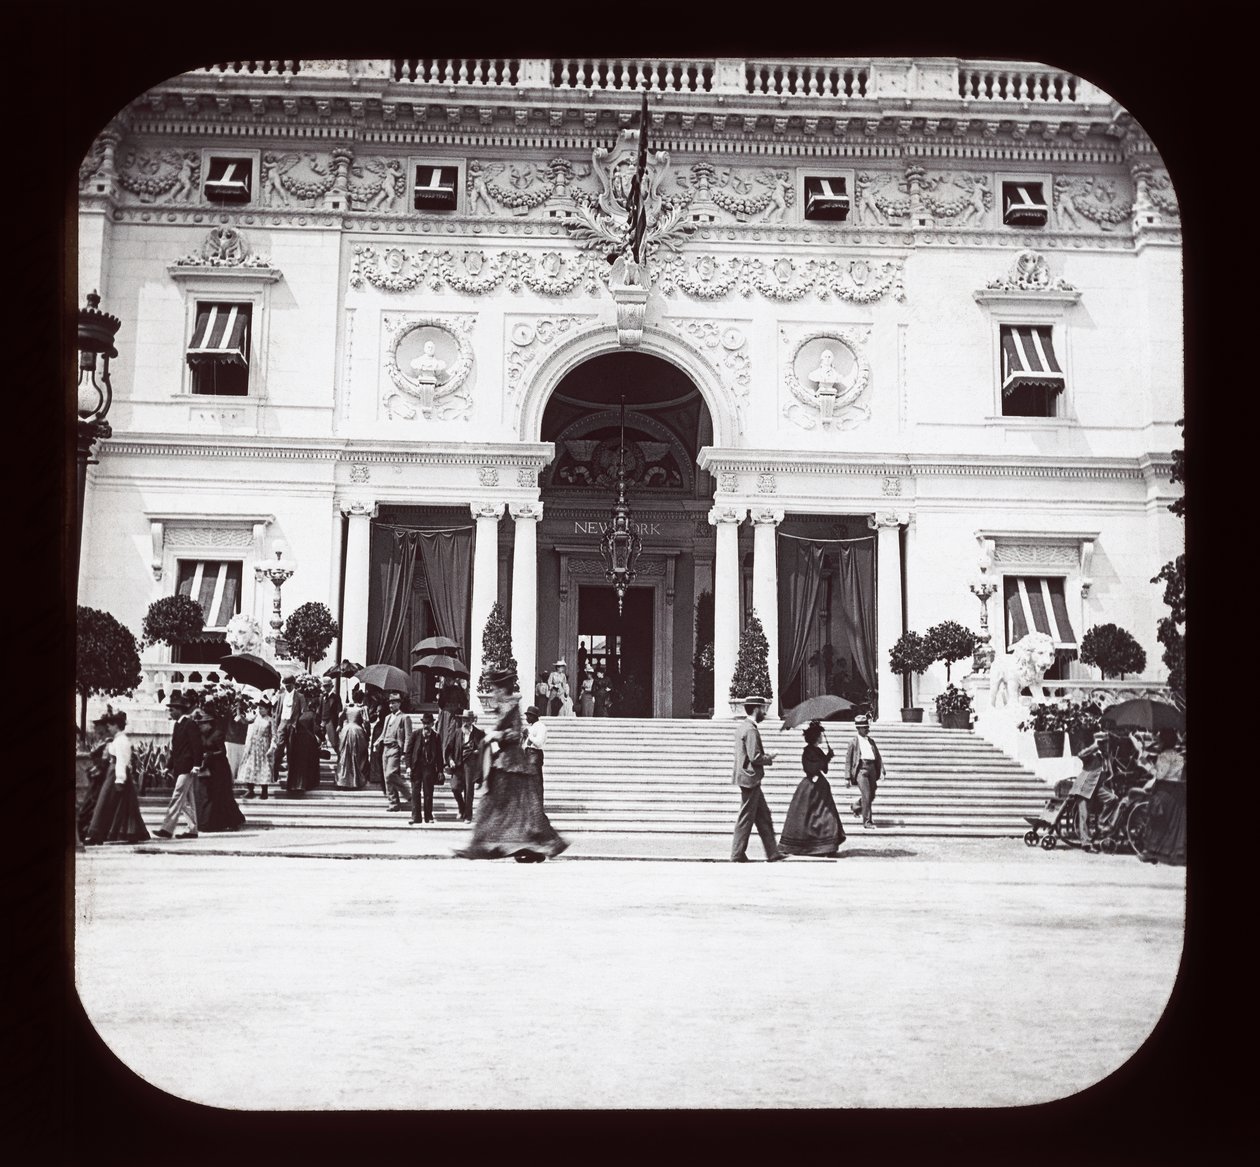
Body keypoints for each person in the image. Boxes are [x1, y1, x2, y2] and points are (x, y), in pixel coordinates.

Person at [455, 668, 569, 862]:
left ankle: (486, 845)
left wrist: (497, 735)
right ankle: (493, 845)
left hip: (512, 763)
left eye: (496, 688)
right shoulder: (504, 706)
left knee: (501, 805)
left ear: (502, 689)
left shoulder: (512, 705)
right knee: (509, 807)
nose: (493, 692)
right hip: (504, 762)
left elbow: (516, 734)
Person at [730, 697, 788, 863]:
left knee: (763, 816)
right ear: (756, 709)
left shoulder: (743, 727)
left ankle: (772, 852)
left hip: (747, 778)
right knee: (746, 817)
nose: (764, 712)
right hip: (750, 779)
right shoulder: (750, 730)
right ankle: (737, 853)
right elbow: (754, 757)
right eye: (763, 708)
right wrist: (770, 757)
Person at [778, 721, 845, 857]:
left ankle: (826, 846)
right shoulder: (807, 751)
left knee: (825, 813)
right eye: (819, 735)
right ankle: (814, 846)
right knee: (810, 815)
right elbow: (810, 768)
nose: (821, 737)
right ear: (815, 736)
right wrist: (825, 759)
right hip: (811, 787)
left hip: (821, 786)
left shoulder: (818, 750)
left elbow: (824, 769)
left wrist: (828, 757)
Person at [84, 711, 151, 845]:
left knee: (105, 803)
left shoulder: (122, 741)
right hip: (113, 772)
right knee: (122, 804)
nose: (108, 727)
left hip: (116, 773)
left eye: (110, 725)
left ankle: (97, 834)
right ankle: (122, 832)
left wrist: (120, 779)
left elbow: (122, 761)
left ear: (116, 726)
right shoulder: (118, 739)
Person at [154, 691, 203, 839]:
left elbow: (197, 746)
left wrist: (196, 765)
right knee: (187, 800)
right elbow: (176, 750)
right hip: (181, 766)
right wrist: (168, 766)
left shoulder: (190, 724)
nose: (170, 711)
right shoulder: (178, 725)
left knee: (177, 796)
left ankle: (167, 829)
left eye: (172, 709)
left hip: (187, 767)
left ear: (180, 710)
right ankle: (192, 829)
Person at [1137, 728, 1186, 866]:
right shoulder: (1178, 755)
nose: (1157, 741)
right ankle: (1167, 854)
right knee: (1171, 825)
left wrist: (1146, 765)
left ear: (1164, 741)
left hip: (1164, 792)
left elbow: (1159, 775)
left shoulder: (1164, 755)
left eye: (1159, 739)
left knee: (1156, 823)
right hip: (1177, 793)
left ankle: (1151, 853)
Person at [193, 707, 246, 831]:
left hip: (220, 768)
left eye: (202, 724)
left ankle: (233, 821)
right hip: (208, 768)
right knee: (211, 796)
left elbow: (222, 752)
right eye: (199, 724)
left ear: (209, 724)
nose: (200, 727)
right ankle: (212, 823)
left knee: (223, 795)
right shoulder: (202, 736)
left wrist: (210, 754)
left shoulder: (217, 734)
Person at [78, 712, 115, 843]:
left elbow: (104, 763)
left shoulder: (108, 743)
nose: (94, 729)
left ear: (104, 728)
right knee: (89, 805)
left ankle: (88, 832)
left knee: (92, 805)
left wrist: (94, 771)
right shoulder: (100, 742)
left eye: (97, 726)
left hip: (100, 778)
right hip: (95, 777)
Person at [846, 714, 884, 829]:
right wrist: (847, 777)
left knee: (871, 794)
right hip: (861, 770)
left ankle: (856, 806)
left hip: (872, 768)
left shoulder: (871, 741)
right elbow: (848, 760)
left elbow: (878, 756)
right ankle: (867, 822)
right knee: (866, 795)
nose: (867, 729)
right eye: (864, 727)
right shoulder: (853, 742)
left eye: (867, 726)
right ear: (858, 728)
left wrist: (881, 770)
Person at [405, 713, 444, 823]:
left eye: (428, 723)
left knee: (428, 793)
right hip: (416, 767)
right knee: (415, 792)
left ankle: (429, 817)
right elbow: (408, 752)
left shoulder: (436, 736)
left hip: (429, 768)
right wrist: (408, 767)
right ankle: (415, 817)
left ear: (432, 724)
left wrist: (440, 770)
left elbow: (440, 755)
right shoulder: (415, 734)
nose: (426, 726)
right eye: (424, 723)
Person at [449, 710, 486, 822]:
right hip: (458, 764)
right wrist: (450, 760)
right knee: (455, 788)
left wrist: (478, 752)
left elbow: (484, 749)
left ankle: (468, 816)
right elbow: (449, 749)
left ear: (472, 720)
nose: (466, 722)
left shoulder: (479, 733)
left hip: (471, 765)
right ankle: (461, 807)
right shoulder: (457, 732)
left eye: (468, 720)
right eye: (464, 719)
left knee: (469, 790)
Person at [270, 674, 307, 786]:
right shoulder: (281, 696)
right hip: (282, 724)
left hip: (293, 725)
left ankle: (291, 778)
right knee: (278, 749)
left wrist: (298, 726)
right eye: (286, 685)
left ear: (294, 684)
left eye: (289, 685)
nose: (287, 687)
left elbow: (304, 713)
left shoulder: (300, 697)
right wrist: (276, 728)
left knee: (291, 752)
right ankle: (274, 771)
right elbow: (277, 713)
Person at [379, 690, 413, 812]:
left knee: (390, 774)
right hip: (385, 748)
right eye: (389, 703)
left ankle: (409, 794)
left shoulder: (405, 717)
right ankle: (393, 803)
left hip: (395, 748)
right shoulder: (388, 717)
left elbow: (408, 736)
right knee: (386, 777)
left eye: (393, 703)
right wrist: (377, 742)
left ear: (399, 704)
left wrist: (405, 752)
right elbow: (383, 733)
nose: (390, 705)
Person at [238, 695, 274, 800]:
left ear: (267, 709)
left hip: (264, 747)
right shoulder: (255, 717)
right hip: (253, 745)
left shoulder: (270, 720)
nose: (260, 710)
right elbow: (244, 721)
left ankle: (264, 791)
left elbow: (274, 735)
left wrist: (272, 747)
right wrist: (239, 710)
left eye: (262, 708)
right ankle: (250, 790)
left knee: (263, 767)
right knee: (250, 766)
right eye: (259, 708)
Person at [287, 700, 323, 795]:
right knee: (310, 762)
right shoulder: (314, 715)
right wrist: (322, 738)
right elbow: (316, 728)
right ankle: (308, 783)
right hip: (309, 741)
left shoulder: (301, 715)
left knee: (298, 763)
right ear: (315, 707)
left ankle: (296, 784)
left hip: (298, 741)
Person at [336, 691, 370, 790]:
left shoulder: (347, 707)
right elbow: (366, 722)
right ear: (362, 698)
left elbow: (340, 717)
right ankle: (355, 781)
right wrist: (368, 733)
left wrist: (339, 726)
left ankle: (343, 780)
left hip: (346, 730)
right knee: (358, 755)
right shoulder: (363, 708)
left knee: (345, 755)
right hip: (357, 731)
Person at [523, 705, 548, 804]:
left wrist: (529, 735)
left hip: (535, 754)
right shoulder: (531, 727)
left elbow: (539, 743)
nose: (527, 718)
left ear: (534, 716)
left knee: (536, 782)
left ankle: (538, 805)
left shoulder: (541, 727)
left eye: (529, 716)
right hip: (528, 753)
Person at [318, 676, 343, 764]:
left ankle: (340, 758)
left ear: (331, 686)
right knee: (318, 741)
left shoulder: (336, 697)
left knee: (334, 742)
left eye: (327, 686)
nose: (325, 688)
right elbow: (319, 711)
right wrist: (319, 722)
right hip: (322, 722)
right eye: (324, 686)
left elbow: (339, 711)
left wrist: (339, 724)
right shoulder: (322, 697)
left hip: (331, 722)